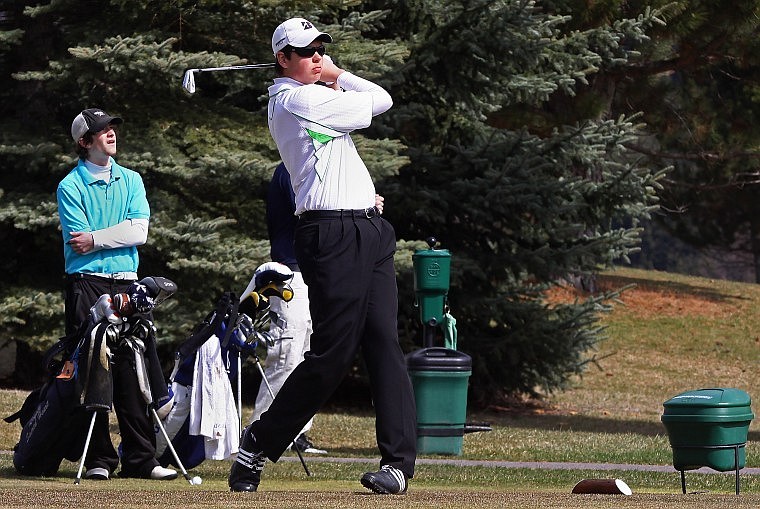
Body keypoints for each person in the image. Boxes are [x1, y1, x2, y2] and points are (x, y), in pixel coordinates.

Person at [229, 18, 416, 495]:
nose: (314, 57)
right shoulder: (296, 100)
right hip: (331, 233)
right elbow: (375, 104)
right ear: (282, 60)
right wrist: (335, 76)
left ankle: (397, 465)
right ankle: (258, 443)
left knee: (383, 344)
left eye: (319, 50)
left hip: (369, 229)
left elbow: (380, 99)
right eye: (304, 52)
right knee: (332, 354)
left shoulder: (315, 90)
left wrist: (333, 72)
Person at [56, 107, 177, 481]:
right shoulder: (70, 186)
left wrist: (97, 238)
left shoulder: (132, 180)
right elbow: (79, 245)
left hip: (128, 282)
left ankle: (141, 459)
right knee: (93, 372)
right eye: (101, 129)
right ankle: (99, 461)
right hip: (87, 283)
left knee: (132, 369)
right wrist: (102, 237)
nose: (111, 133)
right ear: (84, 141)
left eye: (111, 128)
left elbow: (138, 232)